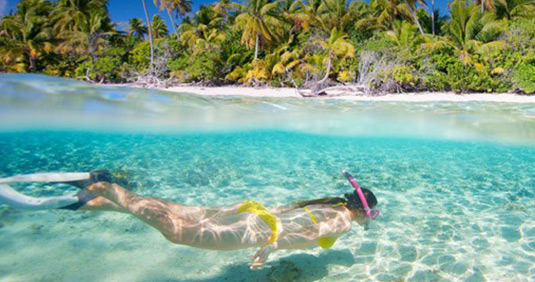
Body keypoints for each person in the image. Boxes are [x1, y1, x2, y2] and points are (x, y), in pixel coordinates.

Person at [0, 170, 379, 269]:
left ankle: (73, 201)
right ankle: (104, 186)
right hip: (256, 227)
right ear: (361, 209)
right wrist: (269, 249)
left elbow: (286, 211)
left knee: (173, 210)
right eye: (372, 213)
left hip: (251, 211)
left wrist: (237, 212)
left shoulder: (326, 203)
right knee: (177, 231)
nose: (371, 218)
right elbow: (303, 235)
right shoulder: (342, 221)